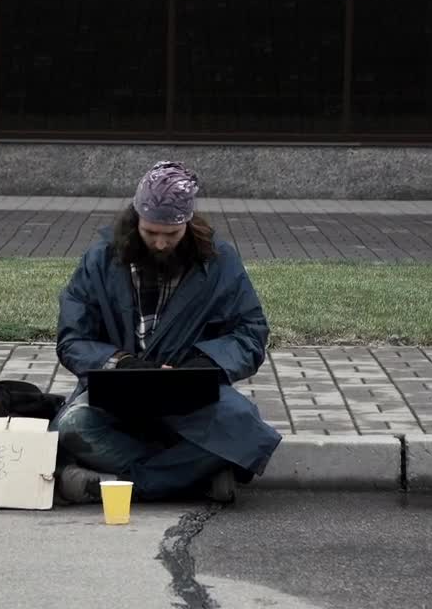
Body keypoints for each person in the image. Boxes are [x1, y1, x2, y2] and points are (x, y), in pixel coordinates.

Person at [52, 161, 281, 504]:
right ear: (135, 221)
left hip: (190, 394)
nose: (160, 244)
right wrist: (120, 364)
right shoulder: (100, 260)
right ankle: (196, 477)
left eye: (171, 235)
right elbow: (72, 337)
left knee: (249, 433)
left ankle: (114, 485)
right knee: (70, 426)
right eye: (150, 233)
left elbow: (250, 332)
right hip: (119, 391)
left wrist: (205, 364)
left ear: (188, 226)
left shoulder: (219, 262)